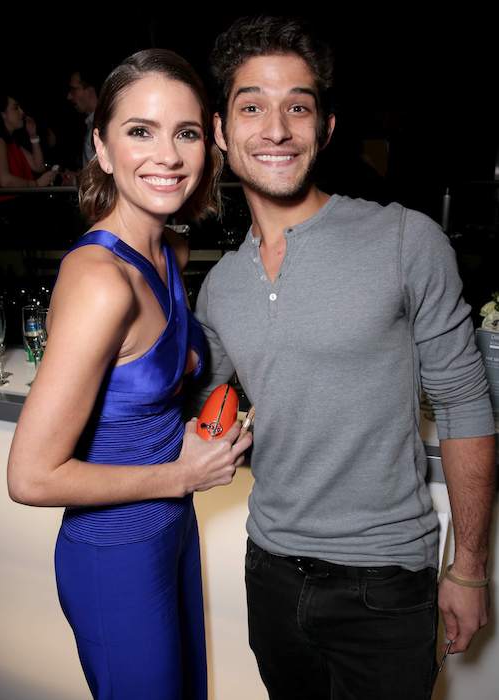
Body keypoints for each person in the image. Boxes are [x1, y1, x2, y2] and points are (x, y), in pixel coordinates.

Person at [193, 16, 496, 700]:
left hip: (384, 583)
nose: (275, 128)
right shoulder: (221, 287)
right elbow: (192, 405)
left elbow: (465, 403)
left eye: (297, 107)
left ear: (323, 129)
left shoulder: (402, 239)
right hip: (269, 572)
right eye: (252, 107)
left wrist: (470, 567)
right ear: (220, 130)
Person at [7, 48, 251, 700]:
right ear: (103, 148)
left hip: (172, 530)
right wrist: (183, 473)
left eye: (187, 132)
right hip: (113, 553)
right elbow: (29, 477)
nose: (167, 155)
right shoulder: (99, 281)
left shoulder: (169, 247)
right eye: (140, 131)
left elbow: (164, 386)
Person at [0, 92, 57, 191]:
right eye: (16, 108)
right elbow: (5, 181)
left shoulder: (13, 142)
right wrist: (36, 184)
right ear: (3, 114)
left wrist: (33, 136)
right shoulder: (0, 141)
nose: (22, 112)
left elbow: (39, 167)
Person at [67, 67, 100, 167]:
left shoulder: (103, 126)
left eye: (73, 90)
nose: (69, 96)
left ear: (90, 90)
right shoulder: (92, 124)